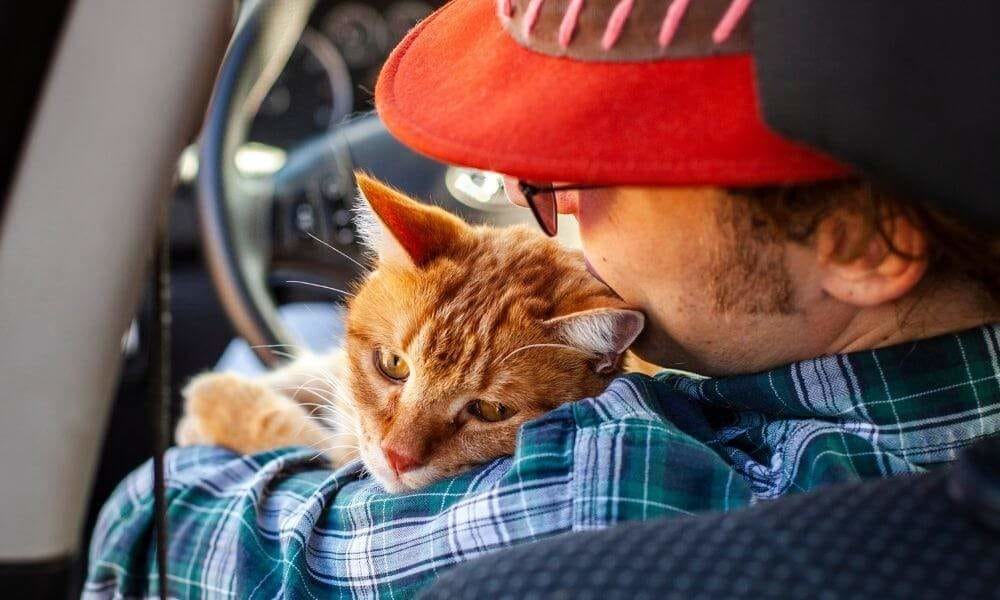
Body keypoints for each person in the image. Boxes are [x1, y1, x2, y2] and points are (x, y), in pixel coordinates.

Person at [85, 0, 1000, 598]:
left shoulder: (613, 493)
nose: (553, 228)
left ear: (860, 244)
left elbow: (149, 531)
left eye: (575, 179)